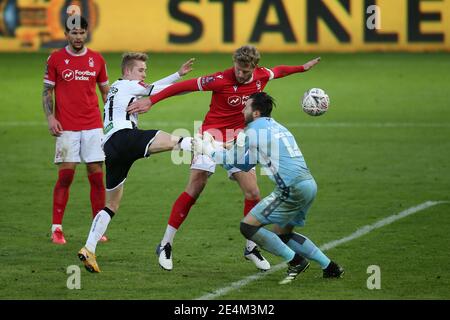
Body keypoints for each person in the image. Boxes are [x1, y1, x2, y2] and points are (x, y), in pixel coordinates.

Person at [127, 45, 321, 271]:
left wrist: (302, 68)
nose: (240, 74)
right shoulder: (219, 79)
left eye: (245, 71)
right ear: (234, 64)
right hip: (211, 134)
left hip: (239, 139)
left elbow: (279, 70)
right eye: (238, 69)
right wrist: (153, 100)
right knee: (196, 186)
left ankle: (250, 247)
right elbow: (184, 85)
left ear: (254, 68)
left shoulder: (261, 76)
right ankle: (166, 243)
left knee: (253, 192)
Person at [195, 92, 344, 284]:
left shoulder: (252, 130)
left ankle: (296, 261)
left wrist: (205, 148)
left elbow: (230, 161)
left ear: (255, 113)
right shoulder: (276, 126)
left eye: (246, 106)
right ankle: (330, 267)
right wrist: (215, 146)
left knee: (248, 227)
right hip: (308, 185)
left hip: (290, 188)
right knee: (284, 234)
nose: (242, 109)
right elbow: (245, 164)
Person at [77, 52, 195, 273]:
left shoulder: (118, 86)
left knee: (111, 205)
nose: (144, 74)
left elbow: (150, 87)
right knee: (176, 141)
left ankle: (89, 248)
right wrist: (194, 85)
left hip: (110, 147)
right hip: (125, 138)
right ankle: (211, 147)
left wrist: (177, 74)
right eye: (141, 70)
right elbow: (157, 91)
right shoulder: (130, 85)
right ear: (128, 71)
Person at [43, 15, 110, 244]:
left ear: (86, 33)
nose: (78, 37)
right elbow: (47, 92)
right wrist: (51, 117)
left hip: (93, 126)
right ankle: (57, 228)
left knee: (96, 177)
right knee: (66, 176)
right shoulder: (55, 59)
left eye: (81, 32)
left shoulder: (97, 59)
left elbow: (105, 92)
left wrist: (112, 121)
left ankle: (98, 229)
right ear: (66, 35)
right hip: (67, 127)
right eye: (74, 33)